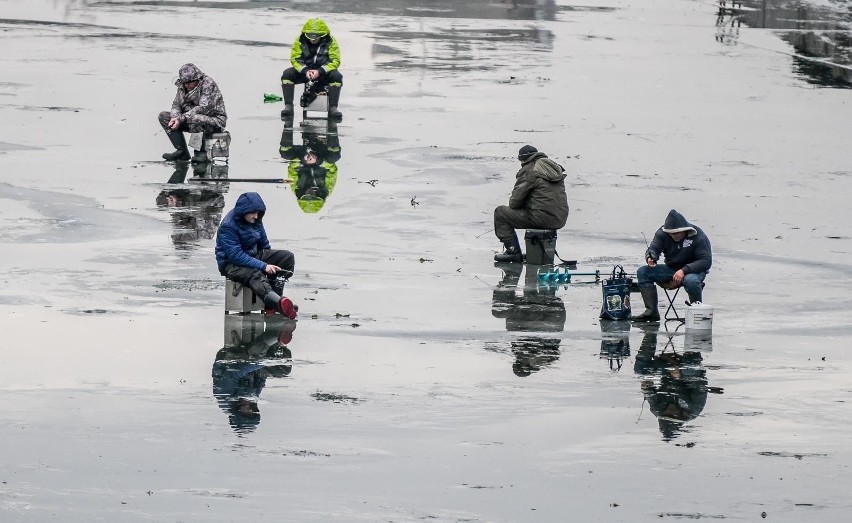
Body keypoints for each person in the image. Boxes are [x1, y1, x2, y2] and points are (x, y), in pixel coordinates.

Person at [215, 192, 298, 319]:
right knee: (254, 274)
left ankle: (274, 303)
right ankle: (276, 303)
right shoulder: (228, 226)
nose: (256, 216)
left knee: (286, 257)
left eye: (258, 213)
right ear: (244, 211)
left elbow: (264, 244)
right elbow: (235, 255)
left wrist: (270, 263)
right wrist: (263, 266)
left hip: (253, 255)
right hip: (231, 264)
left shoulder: (256, 220)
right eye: (253, 213)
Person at [632, 209, 712, 322]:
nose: (674, 236)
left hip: (693, 270)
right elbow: (653, 248)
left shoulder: (699, 236)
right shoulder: (662, 233)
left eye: (677, 233)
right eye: (671, 234)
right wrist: (651, 257)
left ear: (685, 230)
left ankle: (696, 313)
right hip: (671, 269)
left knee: (691, 281)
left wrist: (684, 270)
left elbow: (706, 261)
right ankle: (651, 312)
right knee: (643, 272)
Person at [493, 145, 569, 262]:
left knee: (500, 213)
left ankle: (513, 251)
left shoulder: (529, 170)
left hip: (541, 218)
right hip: (559, 218)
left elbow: (514, 202)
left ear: (523, 159)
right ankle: (536, 253)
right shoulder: (551, 168)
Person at [158, 63, 227, 164]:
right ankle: (182, 152)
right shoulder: (182, 86)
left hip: (214, 120)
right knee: (164, 116)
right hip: (190, 118)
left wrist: (180, 119)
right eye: (185, 83)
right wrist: (174, 118)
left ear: (197, 79)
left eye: (190, 82)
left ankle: (200, 152)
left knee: (195, 117)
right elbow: (176, 104)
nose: (187, 85)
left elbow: (203, 108)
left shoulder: (208, 84)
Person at [280, 18, 343, 119]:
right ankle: (288, 106)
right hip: (305, 71)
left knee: (337, 76)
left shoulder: (331, 41)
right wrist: (305, 70)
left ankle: (333, 107)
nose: (313, 40)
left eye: (316, 37)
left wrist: (320, 71)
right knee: (287, 74)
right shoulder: (299, 41)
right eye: (310, 37)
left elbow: (335, 60)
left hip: (323, 72)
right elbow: (295, 58)